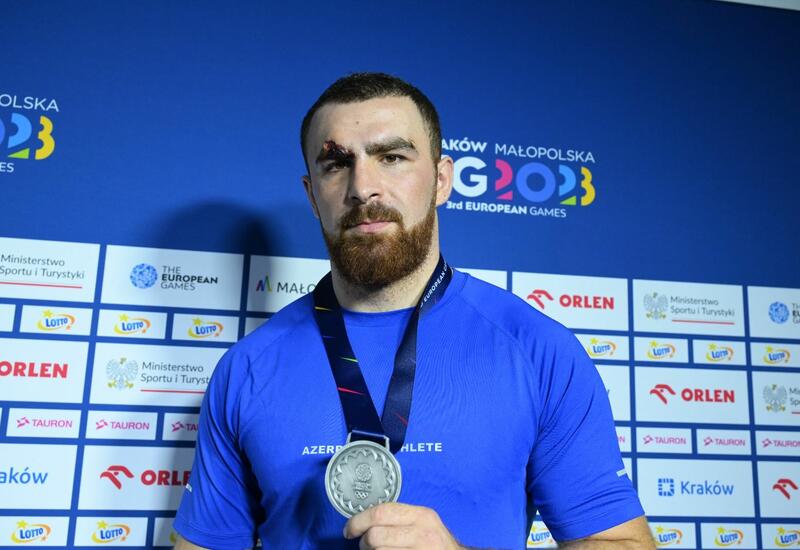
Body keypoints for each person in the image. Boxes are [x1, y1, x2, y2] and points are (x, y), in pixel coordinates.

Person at [174, 72, 654, 549]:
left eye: (392, 157)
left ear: (442, 180)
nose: (364, 187)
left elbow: (626, 545)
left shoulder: (538, 350)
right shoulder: (247, 368)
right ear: (312, 195)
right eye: (337, 164)